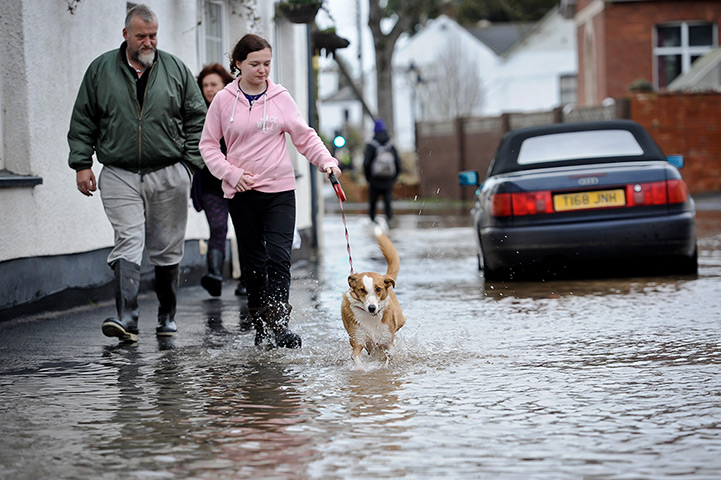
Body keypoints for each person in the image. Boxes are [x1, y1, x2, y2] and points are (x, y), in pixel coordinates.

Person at [67, 4, 207, 343]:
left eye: (153, 35)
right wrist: (82, 163)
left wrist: (188, 165)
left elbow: (197, 118)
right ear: (126, 34)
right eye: (141, 36)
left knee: (166, 247)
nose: (148, 42)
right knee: (128, 241)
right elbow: (84, 119)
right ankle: (126, 319)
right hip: (119, 171)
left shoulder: (174, 69)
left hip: (168, 171)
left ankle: (166, 317)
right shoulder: (101, 70)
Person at [200, 33, 341, 349]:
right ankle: (261, 326)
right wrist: (230, 173)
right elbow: (208, 145)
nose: (263, 70)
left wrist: (327, 161)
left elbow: (304, 137)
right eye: (255, 64)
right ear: (238, 64)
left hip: (279, 190)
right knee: (253, 263)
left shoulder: (281, 98)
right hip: (242, 193)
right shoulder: (223, 100)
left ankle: (279, 321)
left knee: (279, 255)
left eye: (266, 63)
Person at [193, 63, 249, 298]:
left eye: (213, 84)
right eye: (204, 85)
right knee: (217, 228)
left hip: (241, 183)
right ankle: (214, 274)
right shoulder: (196, 115)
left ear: (225, 85)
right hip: (210, 184)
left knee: (245, 231)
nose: (208, 89)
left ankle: (247, 279)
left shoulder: (239, 108)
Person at [363, 119, 401, 225]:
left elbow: (366, 163)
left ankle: (373, 222)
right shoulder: (390, 145)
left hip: (374, 179)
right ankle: (390, 221)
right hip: (388, 179)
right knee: (388, 202)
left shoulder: (372, 145)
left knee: (373, 202)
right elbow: (398, 163)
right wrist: (393, 178)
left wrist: (368, 178)